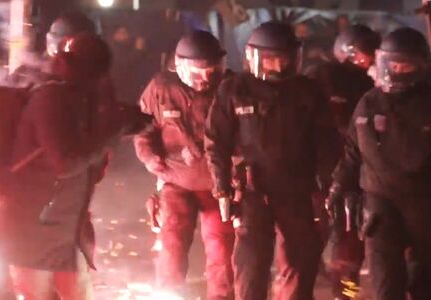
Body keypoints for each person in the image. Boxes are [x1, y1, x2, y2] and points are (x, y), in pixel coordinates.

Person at [326, 27, 431, 300]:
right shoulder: (370, 103)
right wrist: (338, 184)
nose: (399, 71)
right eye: (394, 64)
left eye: (406, 66)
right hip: (380, 205)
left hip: (426, 205)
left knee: (424, 283)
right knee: (386, 285)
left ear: (420, 66)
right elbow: (352, 153)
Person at [205, 21, 338, 300]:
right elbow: (216, 141)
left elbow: (326, 143)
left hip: (297, 190)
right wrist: (222, 187)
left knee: (300, 262)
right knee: (251, 264)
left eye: (283, 60)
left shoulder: (308, 92)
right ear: (254, 57)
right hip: (253, 190)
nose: (277, 67)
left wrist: (330, 187)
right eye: (270, 60)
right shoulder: (234, 89)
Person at [0, 33, 113, 300]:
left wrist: (109, 129)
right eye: (94, 74)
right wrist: (111, 133)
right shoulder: (50, 99)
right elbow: (65, 163)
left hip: (59, 237)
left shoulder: (77, 102)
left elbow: (91, 170)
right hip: (30, 237)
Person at [133, 30, 235, 299]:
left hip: (219, 184)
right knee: (173, 240)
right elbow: (143, 129)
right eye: (197, 72)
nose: (205, 79)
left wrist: (237, 170)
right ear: (179, 67)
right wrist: (152, 159)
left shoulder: (231, 88)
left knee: (221, 247)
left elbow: (248, 134)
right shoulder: (161, 88)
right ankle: (170, 293)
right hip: (176, 180)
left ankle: (221, 296)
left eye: (212, 72)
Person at [303, 24, 381, 300]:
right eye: (364, 55)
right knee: (314, 238)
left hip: (352, 174)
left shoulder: (369, 85)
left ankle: (344, 294)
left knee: (347, 240)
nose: (368, 61)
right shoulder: (320, 78)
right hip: (321, 173)